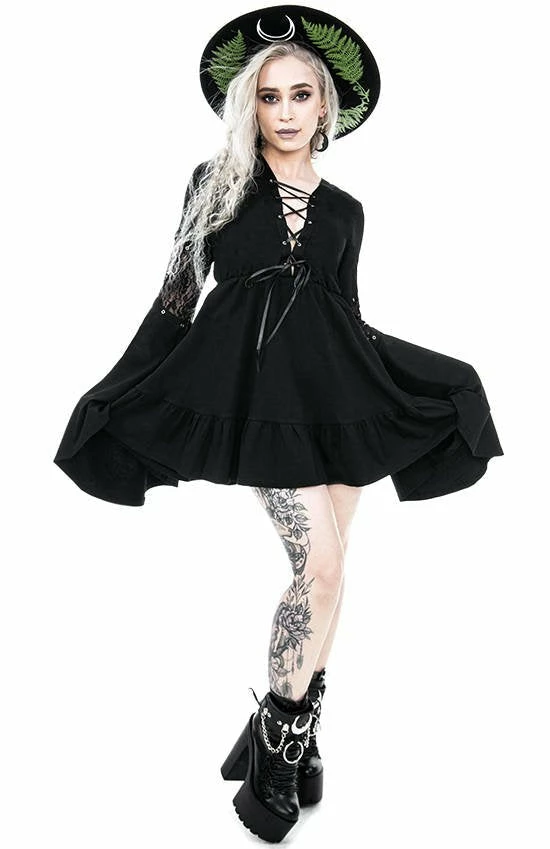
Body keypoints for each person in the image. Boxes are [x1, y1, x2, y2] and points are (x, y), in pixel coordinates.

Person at [53, 5, 504, 842]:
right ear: (249, 106)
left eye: (301, 94)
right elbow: (176, 301)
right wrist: (119, 386)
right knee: (320, 569)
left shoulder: (348, 211)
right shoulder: (214, 183)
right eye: (269, 96)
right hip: (259, 403)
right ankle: (276, 754)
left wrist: (419, 379)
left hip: (338, 398)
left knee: (329, 572)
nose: (286, 111)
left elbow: (346, 317)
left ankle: (298, 727)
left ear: (325, 104)